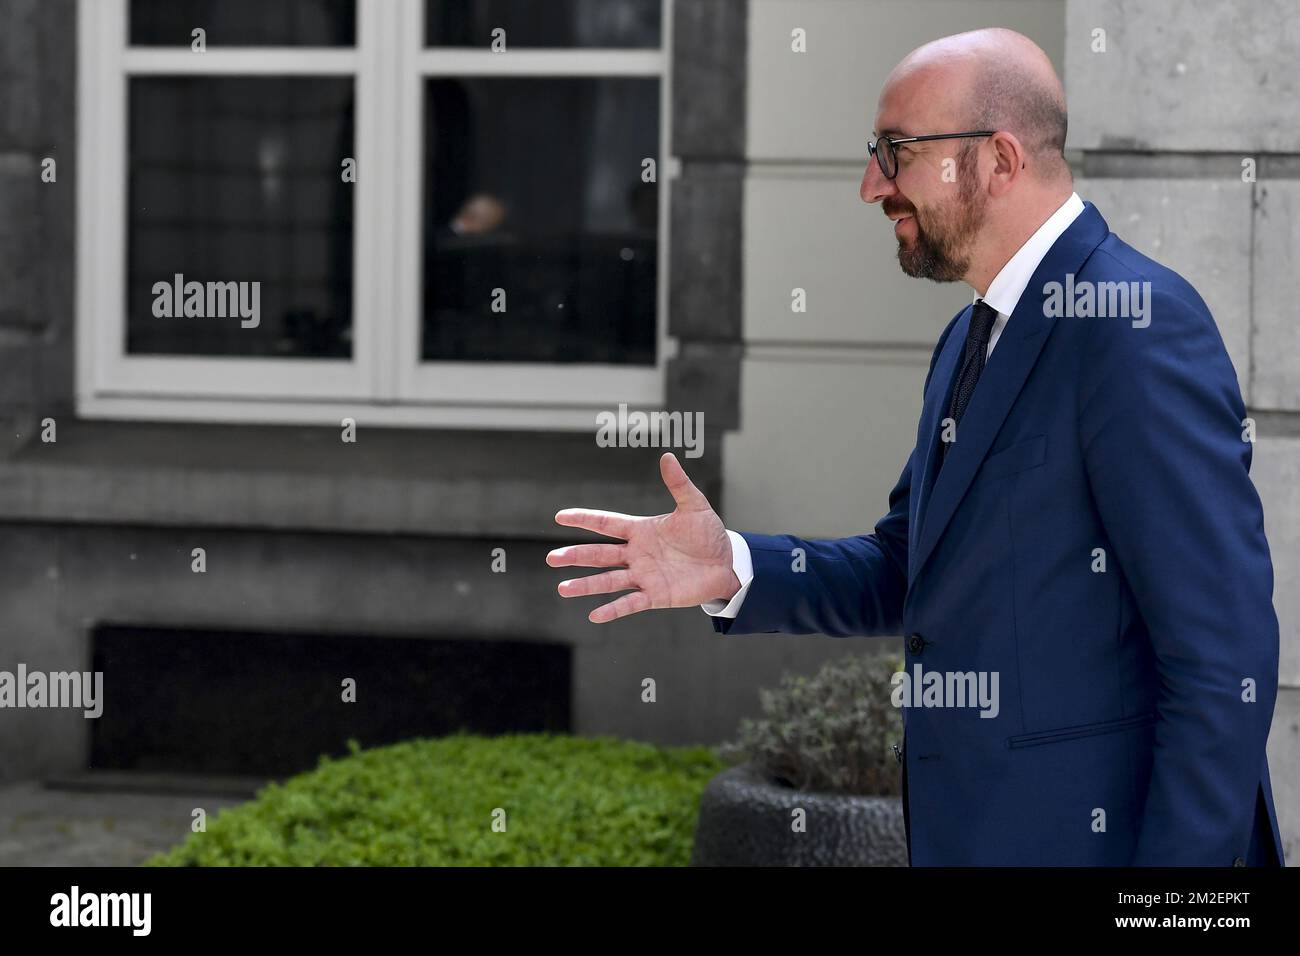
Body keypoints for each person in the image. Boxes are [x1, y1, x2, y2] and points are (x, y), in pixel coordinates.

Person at [546, 28, 1285, 867]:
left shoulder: (1133, 327)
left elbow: (1223, 661)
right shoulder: (968, 342)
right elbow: (912, 570)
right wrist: (735, 567)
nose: (872, 186)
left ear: (1000, 159)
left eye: (896, 152)